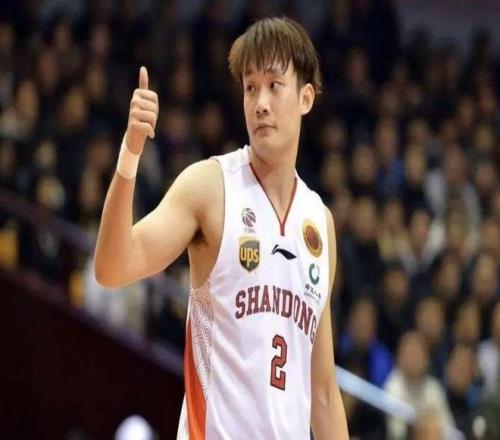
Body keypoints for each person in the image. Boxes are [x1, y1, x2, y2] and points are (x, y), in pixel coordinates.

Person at [94, 16, 348, 440]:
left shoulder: (320, 224)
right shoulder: (210, 187)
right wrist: (130, 154)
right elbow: (111, 267)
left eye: (274, 85)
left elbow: (322, 393)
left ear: (306, 97)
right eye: (250, 88)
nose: (260, 102)